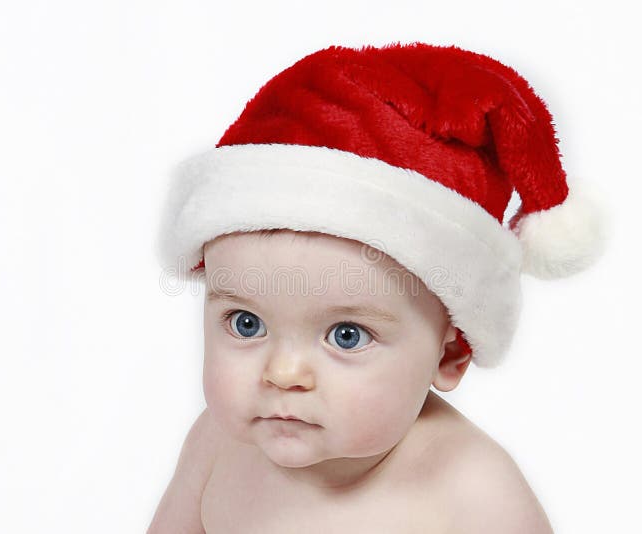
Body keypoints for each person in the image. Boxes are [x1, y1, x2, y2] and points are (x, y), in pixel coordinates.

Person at [149, 42, 607, 533]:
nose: (283, 373)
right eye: (246, 324)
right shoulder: (216, 446)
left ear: (450, 353)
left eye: (347, 334)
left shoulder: (475, 497)